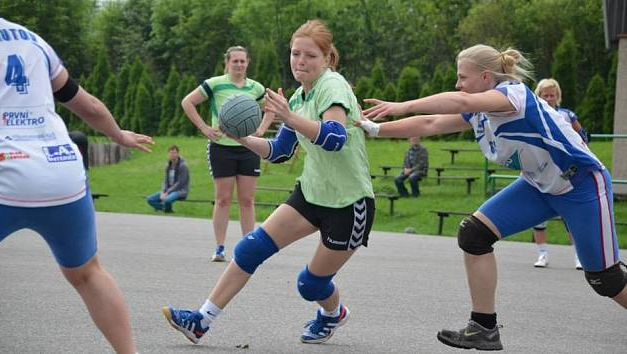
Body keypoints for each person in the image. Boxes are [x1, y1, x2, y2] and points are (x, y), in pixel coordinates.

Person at [359, 44, 627, 351]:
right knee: (474, 234)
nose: (458, 84)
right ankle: (484, 328)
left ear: (486, 77)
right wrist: (374, 128)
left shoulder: (516, 95)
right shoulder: (479, 111)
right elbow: (430, 123)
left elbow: (458, 99)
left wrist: (402, 104)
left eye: (463, 77)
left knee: (605, 280)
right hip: (539, 187)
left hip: (580, 185)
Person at [163, 19, 375, 345]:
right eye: (295, 54)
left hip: (350, 204)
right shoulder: (298, 96)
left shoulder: (333, 87)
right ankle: (200, 321)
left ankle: (334, 314)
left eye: (310, 56)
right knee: (250, 249)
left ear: (327, 58)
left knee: (310, 285)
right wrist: (243, 138)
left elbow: (334, 137)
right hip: (313, 194)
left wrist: (289, 118)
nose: (300, 62)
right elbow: (278, 151)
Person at [0, 17, 153, 354]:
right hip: (62, 172)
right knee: (87, 273)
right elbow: (88, 105)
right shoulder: (31, 39)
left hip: (5, 176)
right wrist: (118, 134)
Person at [181, 46, 271, 262]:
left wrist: (261, 130)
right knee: (222, 199)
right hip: (221, 148)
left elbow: (271, 108)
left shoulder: (255, 88)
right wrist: (204, 128)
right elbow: (188, 102)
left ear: (248, 62)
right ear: (227, 63)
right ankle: (220, 247)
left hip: (249, 148)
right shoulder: (215, 84)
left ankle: (247, 249)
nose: (239, 65)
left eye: (243, 61)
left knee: (247, 200)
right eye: (235, 61)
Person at [532, 78, 586, 269]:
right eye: (544, 95)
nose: (548, 98)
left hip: (564, 171)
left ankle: (579, 256)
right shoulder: (531, 115)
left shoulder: (567, 115)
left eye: (551, 95)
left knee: (569, 216)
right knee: (539, 217)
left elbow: (583, 136)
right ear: (538, 96)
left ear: (558, 96)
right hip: (539, 170)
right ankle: (542, 254)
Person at [146, 144, 189, 213]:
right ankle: (167, 210)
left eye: (174, 153)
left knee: (167, 200)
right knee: (149, 199)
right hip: (168, 191)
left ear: (178, 153)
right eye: (171, 153)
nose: (172, 155)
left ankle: (167, 210)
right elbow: (165, 180)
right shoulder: (168, 165)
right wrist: (163, 191)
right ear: (168, 154)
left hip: (180, 191)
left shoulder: (183, 166)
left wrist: (167, 192)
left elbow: (180, 183)